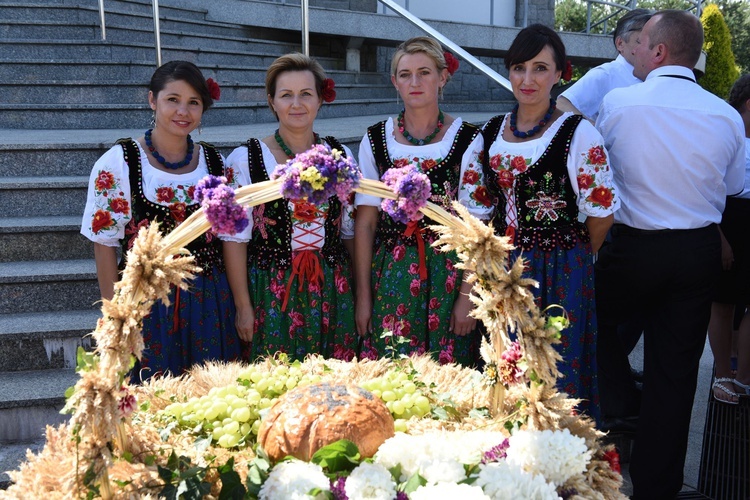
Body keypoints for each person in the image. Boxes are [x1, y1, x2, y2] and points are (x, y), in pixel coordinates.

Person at [595, 10, 745, 499]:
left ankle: (622, 403)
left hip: (633, 246)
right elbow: (733, 187)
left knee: (588, 327)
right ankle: (657, 488)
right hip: (696, 250)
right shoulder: (725, 114)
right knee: (675, 375)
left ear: (658, 51)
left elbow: (601, 170)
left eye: (642, 45)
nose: (636, 52)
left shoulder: (620, 102)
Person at [482, 24, 618, 423]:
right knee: (504, 365)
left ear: (560, 74)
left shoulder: (579, 133)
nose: (528, 79)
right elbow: (479, 204)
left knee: (557, 367)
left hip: (561, 268)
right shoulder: (490, 132)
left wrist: (573, 256)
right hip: (502, 265)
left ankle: (562, 464)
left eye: (540, 68)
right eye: (519, 68)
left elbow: (601, 213)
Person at [81, 60, 244, 381]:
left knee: (208, 396)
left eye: (193, 103)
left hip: (209, 300)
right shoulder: (120, 161)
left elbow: (230, 236)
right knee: (151, 395)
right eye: (173, 99)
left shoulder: (214, 162)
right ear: (152, 100)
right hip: (147, 303)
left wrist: (240, 305)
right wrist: (115, 316)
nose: (183, 111)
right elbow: (104, 244)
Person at [353, 36, 493, 365]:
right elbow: (365, 222)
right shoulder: (375, 139)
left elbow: (476, 224)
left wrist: (467, 297)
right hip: (390, 272)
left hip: (450, 274)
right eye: (405, 74)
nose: (414, 82)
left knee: (449, 373)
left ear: (443, 77)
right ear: (394, 82)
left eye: (424, 72)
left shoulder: (468, 138)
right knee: (392, 366)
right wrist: (363, 295)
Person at [224, 53, 356, 361]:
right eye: (286, 95)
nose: (296, 104)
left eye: (306, 94)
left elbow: (349, 232)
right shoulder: (245, 159)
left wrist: (359, 296)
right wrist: (244, 307)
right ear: (272, 101)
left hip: (332, 288)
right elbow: (234, 240)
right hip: (270, 290)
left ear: (321, 99)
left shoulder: (340, 156)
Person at [707, 74, 750, 404]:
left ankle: (744, 378)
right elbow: (707, 190)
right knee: (723, 304)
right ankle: (723, 375)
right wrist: (720, 239)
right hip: (729, 221)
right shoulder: (725, 132)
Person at [558, 9, 652, 122]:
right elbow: (562, 105)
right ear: (620, 44)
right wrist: (596, 133)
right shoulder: (606, 74)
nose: (648, 48)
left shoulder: (654, 76)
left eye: (652, 43)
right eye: (640, 41)